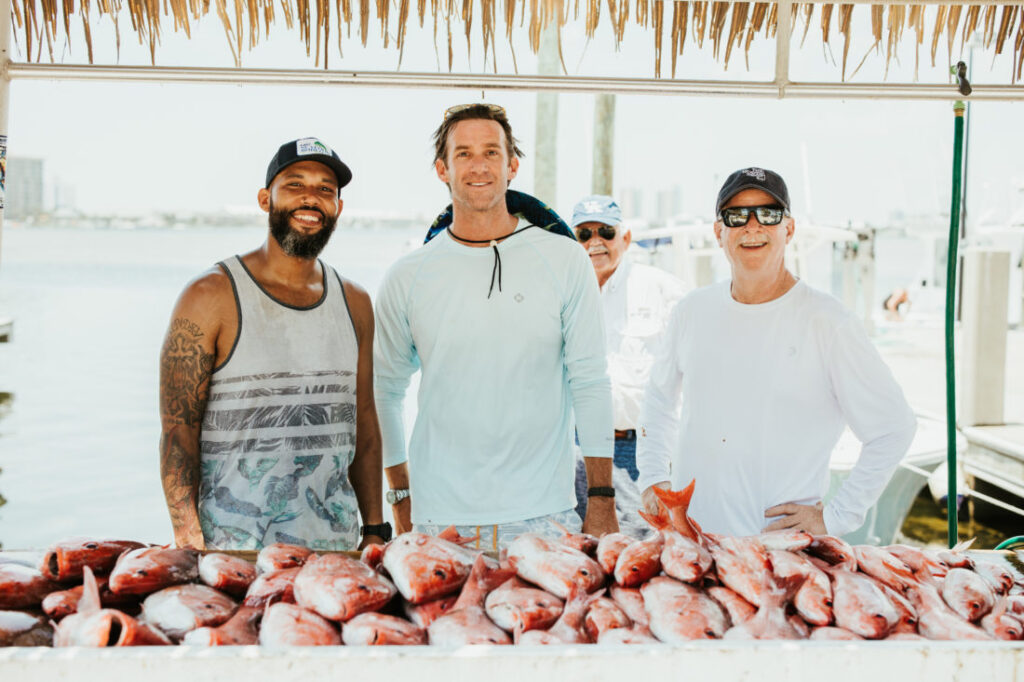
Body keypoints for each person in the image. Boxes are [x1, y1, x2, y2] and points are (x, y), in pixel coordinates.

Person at [373, 103, 618, 549]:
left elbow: (591, 381)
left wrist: (602, 498)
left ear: (512, 166)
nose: (479, 164)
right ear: (442, 169)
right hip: (438, 519)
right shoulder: (408, 275)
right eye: (463, 153)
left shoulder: (565, 260)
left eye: (491, 151)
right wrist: (401, 497)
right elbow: (385, 390)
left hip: (545, 515)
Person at [637, 167, 916, 538]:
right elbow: (658, 400)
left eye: (768, 214)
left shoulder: (829, 322)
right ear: (720, 232)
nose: (753, 226)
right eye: (737, 216)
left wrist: (835, 518)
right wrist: (654, 476)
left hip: (780, 556)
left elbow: (893, 428)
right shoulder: (691, 311)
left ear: (789, 228)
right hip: (692, 544)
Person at [158, 137, 389, 550]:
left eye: (325, 190)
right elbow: (179, 430)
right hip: (233, 550)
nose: (311, 198)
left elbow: (365, 422)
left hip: (334, 551)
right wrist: (188, 536)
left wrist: (374, 529)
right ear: (266, 199)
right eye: (295, 185)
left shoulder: (355, 301)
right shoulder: (209, 295)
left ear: (338, 207)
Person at [569, 195, 685, 537]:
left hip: (641, 451)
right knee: (585, 552)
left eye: (606, 231)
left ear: (626, 238)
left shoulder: (665, 290)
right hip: (578, 451)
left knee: (644, 550)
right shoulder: (561, 294)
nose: (595, 242)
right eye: (583, 234)